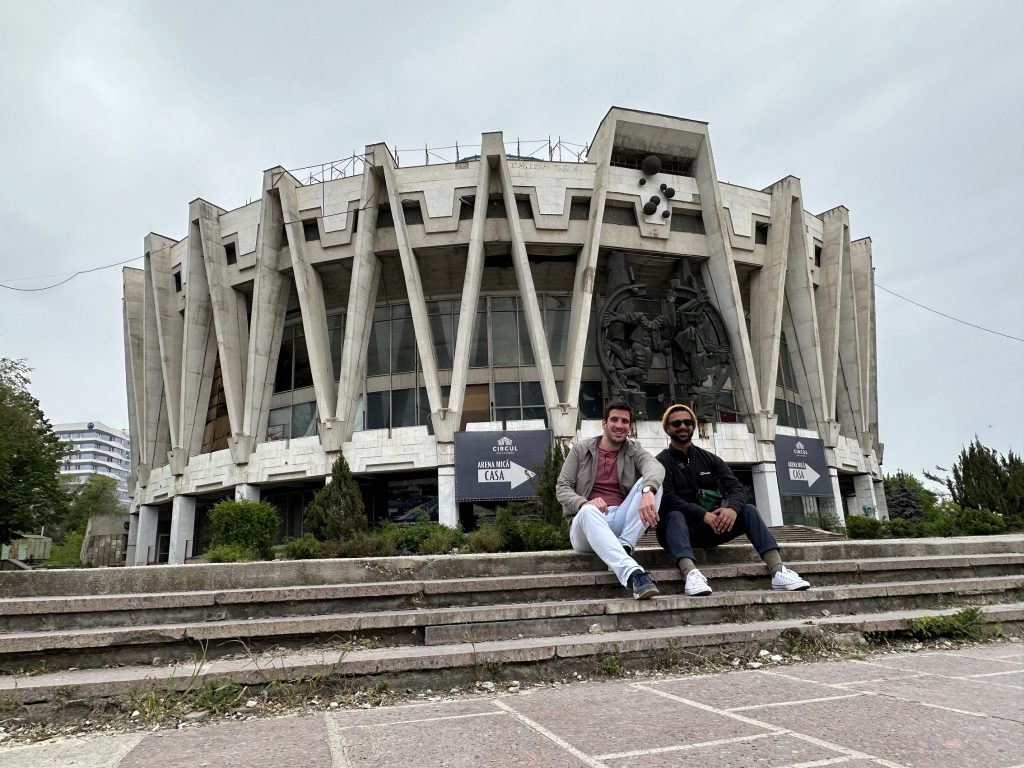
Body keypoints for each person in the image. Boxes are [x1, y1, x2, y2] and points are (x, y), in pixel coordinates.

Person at [655, 403, 811, 596]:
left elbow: (736, 488)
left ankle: (777, 570)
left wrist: (732, 509)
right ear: (667, 428)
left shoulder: (709, 459)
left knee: (749, 510)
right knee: (674, 514)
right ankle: (690, 574)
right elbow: (667, 498)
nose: (683, 426)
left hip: (710, 528)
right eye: (676, 423)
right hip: (675, 531)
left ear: (694, 425)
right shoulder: (661, 461)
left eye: (687, 422)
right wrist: (702, 514)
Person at [556, 402, 664, 599]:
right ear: (604, 424)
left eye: (625, 421)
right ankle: (634, 574)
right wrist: (583, 503)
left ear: (629, 427)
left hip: (620, 520)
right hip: (586, 527)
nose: (619, 425)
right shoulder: (581, 450)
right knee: (589, 511)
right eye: (614, 419)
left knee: (653, 483)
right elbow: (562, 488)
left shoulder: (634, 450)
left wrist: (648, 491)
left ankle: (624, 547)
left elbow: (655, 468)